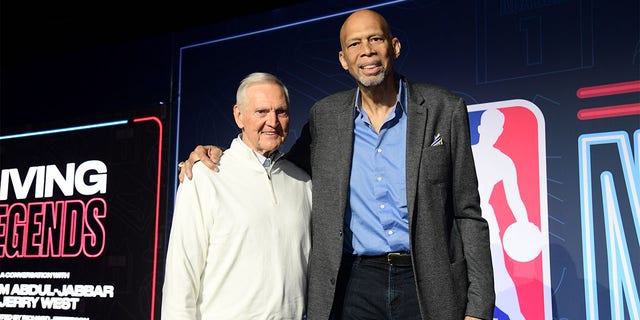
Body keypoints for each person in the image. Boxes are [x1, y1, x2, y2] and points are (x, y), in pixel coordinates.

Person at [180, 10, 495, 320]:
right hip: (354, 285)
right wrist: (223, 154)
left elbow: (467, 213)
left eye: (375, 39)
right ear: (344, 59)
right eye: (354, 44)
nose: (366, 51)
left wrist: (479, 307)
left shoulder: (444, 108)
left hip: (428, 280)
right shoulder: (325, 117)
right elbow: (277, 170)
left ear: (394, 46)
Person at [162, 72, 312, 319]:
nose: (272, 121)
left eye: (281, 112)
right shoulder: (204, 177)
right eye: (261, 112)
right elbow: (181, 275)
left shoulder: (304, 183)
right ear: (238, 116)